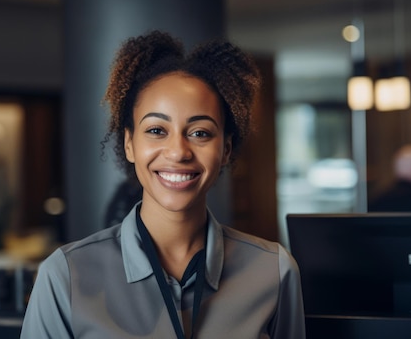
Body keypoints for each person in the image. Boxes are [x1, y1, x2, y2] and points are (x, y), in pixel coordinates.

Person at [20, 30, 305, 339]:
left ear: (225, 149)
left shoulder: (273, 270)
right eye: (157, 130)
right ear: (129, 144)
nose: (178, 152)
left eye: (200, 133)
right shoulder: (65, 275)